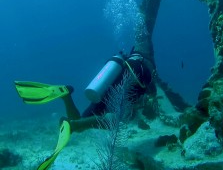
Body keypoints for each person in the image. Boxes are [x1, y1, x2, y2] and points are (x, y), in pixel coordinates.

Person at [14, 49, 157, 169]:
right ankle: (74, 125)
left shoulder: (123, 62)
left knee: (82, 122)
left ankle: (66, 96)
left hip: (104, 87)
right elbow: (147, 96)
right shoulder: (146, 67)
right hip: (125, 87)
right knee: (118, 119)